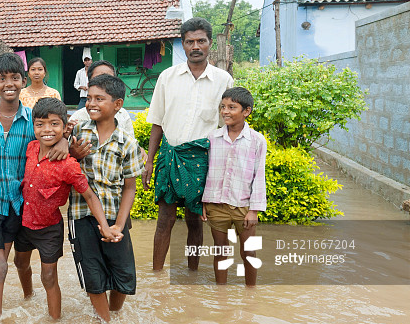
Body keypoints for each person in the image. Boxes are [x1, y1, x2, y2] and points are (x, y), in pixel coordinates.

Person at [0, 53, 70, 318]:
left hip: (17, 201)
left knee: (1, 260)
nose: (8, 83)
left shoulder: (33, 120)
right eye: (1, 79)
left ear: (23, 81)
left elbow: (54, 132)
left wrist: (65, 139)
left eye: (14, 78)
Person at [142, 17, 234, 271]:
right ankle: (157, 274)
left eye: (201, 41)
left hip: (203, 159)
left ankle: (192, 274)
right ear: (182, 45)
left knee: (195, 220)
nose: (196, 46)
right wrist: (149, 161)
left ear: (209, 44)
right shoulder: (167, 77)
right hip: (170, 155)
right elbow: (157, 123)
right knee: (165, 220)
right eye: (190, 41)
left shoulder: (223, 80)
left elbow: (227, 128)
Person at [13, 97, 112, 320]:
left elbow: (89, 195)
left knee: (48, 276)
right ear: (33, 126)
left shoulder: (68, 164)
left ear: (64, 125)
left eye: (54, 124)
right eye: (40, 124)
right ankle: (28, 296)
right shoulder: (31, 148)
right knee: (20, 263)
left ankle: (54, 322)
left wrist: (104, 226)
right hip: (24, 223)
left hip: (49, 229)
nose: (47, 130)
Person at [68, 74, 144, 322]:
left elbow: (130, 188)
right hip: (82, 214)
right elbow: (62, 163)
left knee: (124, 276)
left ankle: (113, 312)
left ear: (118, 105)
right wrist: (73, 154)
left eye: (99, 99)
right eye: (89, 98)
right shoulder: (77, 133)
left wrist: (119, 225)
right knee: (93, 273)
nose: (91, 103)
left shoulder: (127, 143)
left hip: (114, 216)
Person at [201, 87, 266, 286]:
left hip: (243, 206)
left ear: (246, 111)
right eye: (223, 107)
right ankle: (221, 295)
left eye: (232, 107)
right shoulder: (212, 138)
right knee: (220, 251)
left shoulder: (256, 140)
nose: (225, 111)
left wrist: (254, 210)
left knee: (249, 251)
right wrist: (203, 202)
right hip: (216, 204)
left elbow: (259, 175)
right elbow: (206, 172)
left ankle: (251, 293)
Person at [68, 60, 134, 137]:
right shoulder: (78, 118)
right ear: (89, 84)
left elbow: (132, 144)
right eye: (98, 79)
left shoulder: (123, 115)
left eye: (108, 80)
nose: (102, 83)